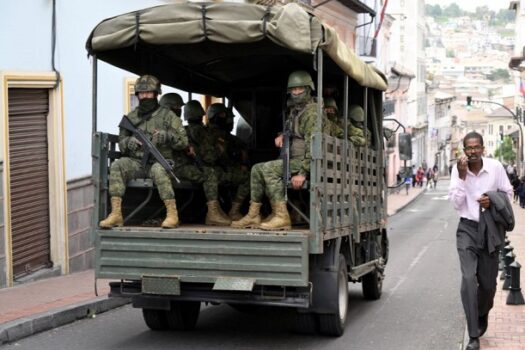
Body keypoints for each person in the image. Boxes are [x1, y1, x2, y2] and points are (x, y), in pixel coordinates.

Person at [448, 131, 514, 350]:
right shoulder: (458, 170)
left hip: (490, 231)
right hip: (466, 229)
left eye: (476, 147)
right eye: (469, 148)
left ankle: (483, 311)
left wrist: (491, 202)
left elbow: (507, 192)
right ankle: (473, 335)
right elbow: (457, 204)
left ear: (483, 149)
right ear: (464, 150)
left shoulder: (495, 167)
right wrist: (461, 175)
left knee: (487, 285)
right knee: (468, 278)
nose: (473, 151)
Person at [231, 70, 320, 230]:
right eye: (293, 89)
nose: (296, 92)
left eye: (300, 89)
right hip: (293, 160)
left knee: (268, 170)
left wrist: (303, 172)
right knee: (256, 169)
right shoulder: (296, 111)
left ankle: (281, 216)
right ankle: (253, 215)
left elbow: (313, 144)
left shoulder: (312, 113)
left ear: (308, 89)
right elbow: (290, 130)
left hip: (305, 162)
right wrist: (282, 135)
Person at [99, 75, 188, 229]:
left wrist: (167, 136)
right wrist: (129, 142)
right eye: (141, 93)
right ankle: (116, 214)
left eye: (149, 93)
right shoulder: (131, 117)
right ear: (137, 95)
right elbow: (122, 143)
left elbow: (183, 142)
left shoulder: (168, 116)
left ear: (156, 94)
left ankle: (172, 214)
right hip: (137, 163)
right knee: (117, 165)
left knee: (160, 170)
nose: (145, 96)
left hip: (159, 161)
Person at [174, 100, 231, 226]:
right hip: (177, 168)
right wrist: (219, 151)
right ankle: (213, 213)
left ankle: (216, 211)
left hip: (179, 166)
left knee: (210, 172)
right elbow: (209, 157)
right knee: (210, 173)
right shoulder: (199, 131)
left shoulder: (183, 129)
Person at [206, 102, 250, 220]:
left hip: (220, 170)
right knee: (248, 177)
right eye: (223, 115)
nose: (228, 120)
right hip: (215, 171)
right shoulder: (210, 134)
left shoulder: (226, 135)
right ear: (214, 116)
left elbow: (242, 147)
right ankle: (234, 211)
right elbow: (221, 157)